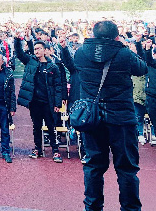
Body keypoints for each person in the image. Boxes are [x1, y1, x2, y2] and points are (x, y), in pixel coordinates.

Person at [74, 21, 147, 211]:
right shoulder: (124, 53)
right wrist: (125, 46)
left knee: (93, 166)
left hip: (92, 118)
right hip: (121, 118)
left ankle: (92, 207)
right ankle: (130, 208)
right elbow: (142, 68)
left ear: (93, 34)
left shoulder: (81, 52)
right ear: (116, 36)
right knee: (127, 169)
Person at [14, 37, 63, 163]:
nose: (36, 51)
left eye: (39, 48)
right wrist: (17, 40)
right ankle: (37, 149)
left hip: (48, 102)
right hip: (34, 102)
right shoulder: (31, 62)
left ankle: (55, 150)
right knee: (36, 126)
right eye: (35, 49)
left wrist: (57, 103)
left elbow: (58, 86)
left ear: (45, 50)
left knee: (51, 127)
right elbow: (19, 53)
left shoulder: (53, 67)